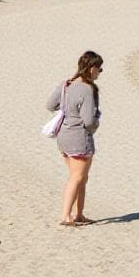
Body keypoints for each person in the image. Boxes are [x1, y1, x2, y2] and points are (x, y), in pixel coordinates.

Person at [46, 50, 103, 226]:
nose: (100, 72)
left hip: (64, 136)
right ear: (92, 68)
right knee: (77, 177)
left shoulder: (66, 84)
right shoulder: (87, 90)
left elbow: (50, 105)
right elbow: (88, 120)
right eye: (99, 69)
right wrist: (95, 123)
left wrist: (68, 109)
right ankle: (66, 215)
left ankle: (79, 214)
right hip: (79, 138)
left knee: (80, 177)